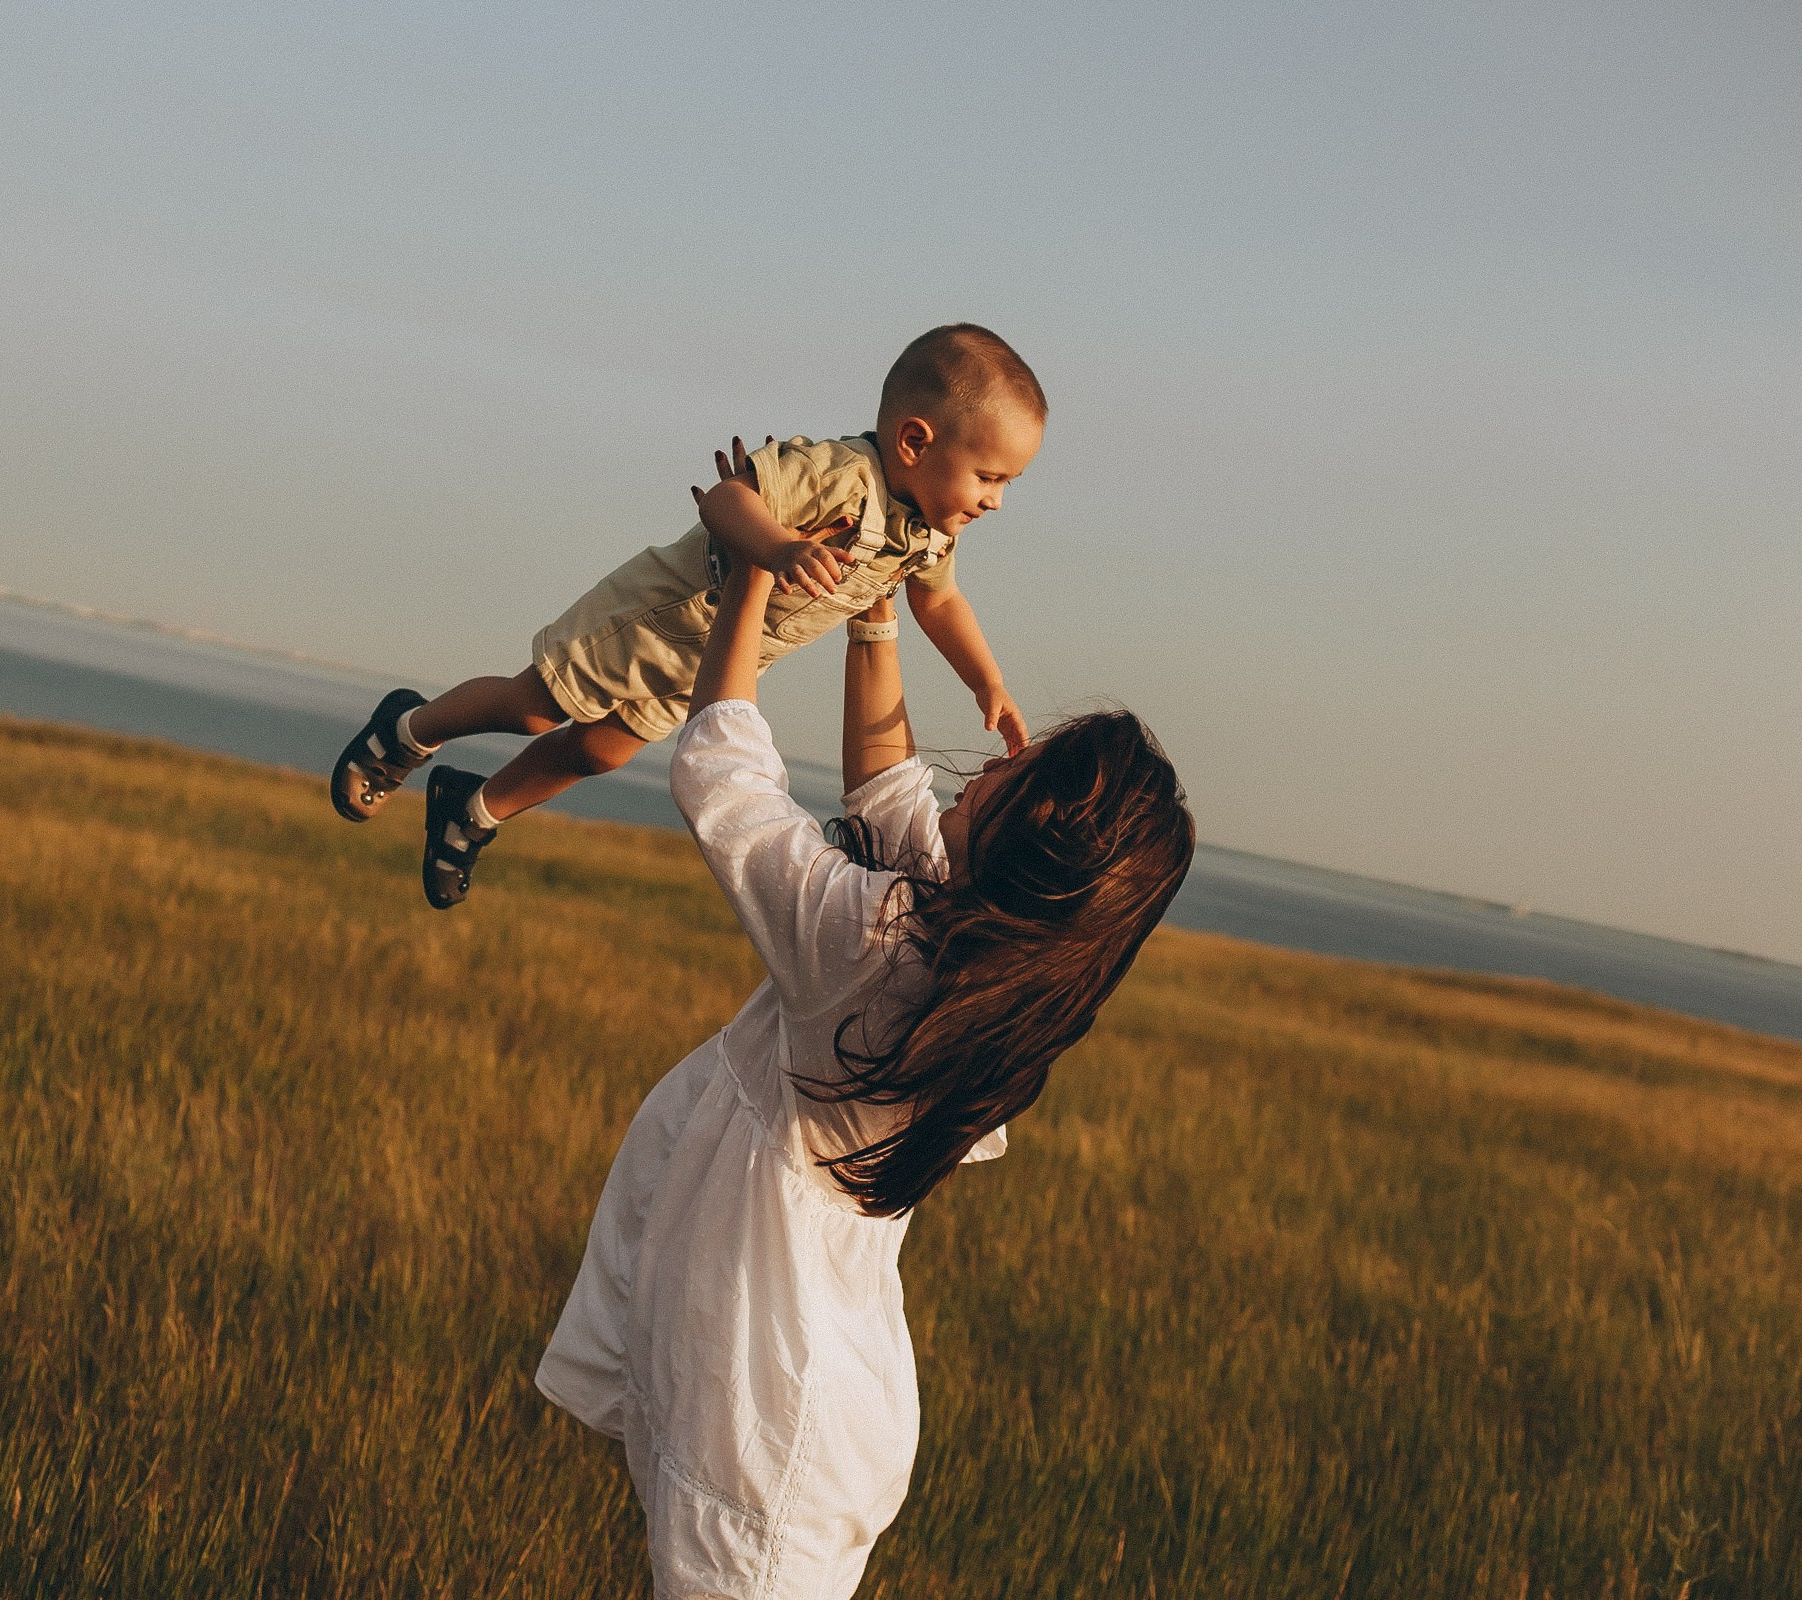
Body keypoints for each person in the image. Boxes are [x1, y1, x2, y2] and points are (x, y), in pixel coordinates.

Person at [534, 442, 1195, 1599]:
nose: (993, 761)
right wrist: (874, 614)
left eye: (1019, 769)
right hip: (807, 1372)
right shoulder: (993, 964)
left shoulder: (877, 944)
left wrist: (752, 576)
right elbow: (886, 792)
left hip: (768, 1401)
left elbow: (723, 778)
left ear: (1026, 834)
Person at [328, 323, 1047, 908]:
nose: (996, 501)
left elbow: (940, 600)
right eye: (989, 477)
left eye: (1007, 483)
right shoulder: (838, 474)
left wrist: (987, 683)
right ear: (916, 442)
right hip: (661, 614)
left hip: (710, 664)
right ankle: (406, 731)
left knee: (600, 752)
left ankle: (472, 809)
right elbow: (727, 499)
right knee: (535, 708)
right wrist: (781, 548)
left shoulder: (925, 534)